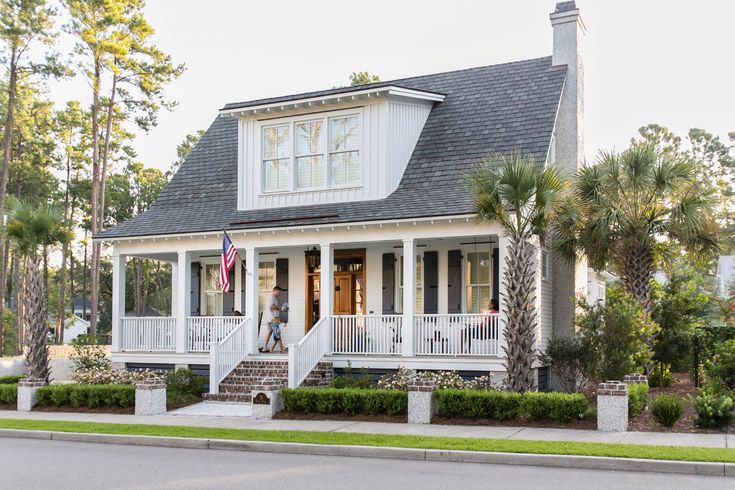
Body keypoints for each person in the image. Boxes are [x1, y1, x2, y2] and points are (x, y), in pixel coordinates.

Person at [262, 286, 287, 352]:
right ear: (275, 290)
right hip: (273, 318)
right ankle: (282, 348)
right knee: (278, 333)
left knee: (270, 332)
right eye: (279, 292)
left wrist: (280, 309)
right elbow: (271, 307)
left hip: (271, 318)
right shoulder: (271, 297)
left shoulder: (273, 297)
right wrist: (279, 308)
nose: (279, 294)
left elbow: (274, 307)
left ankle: (265, 347)